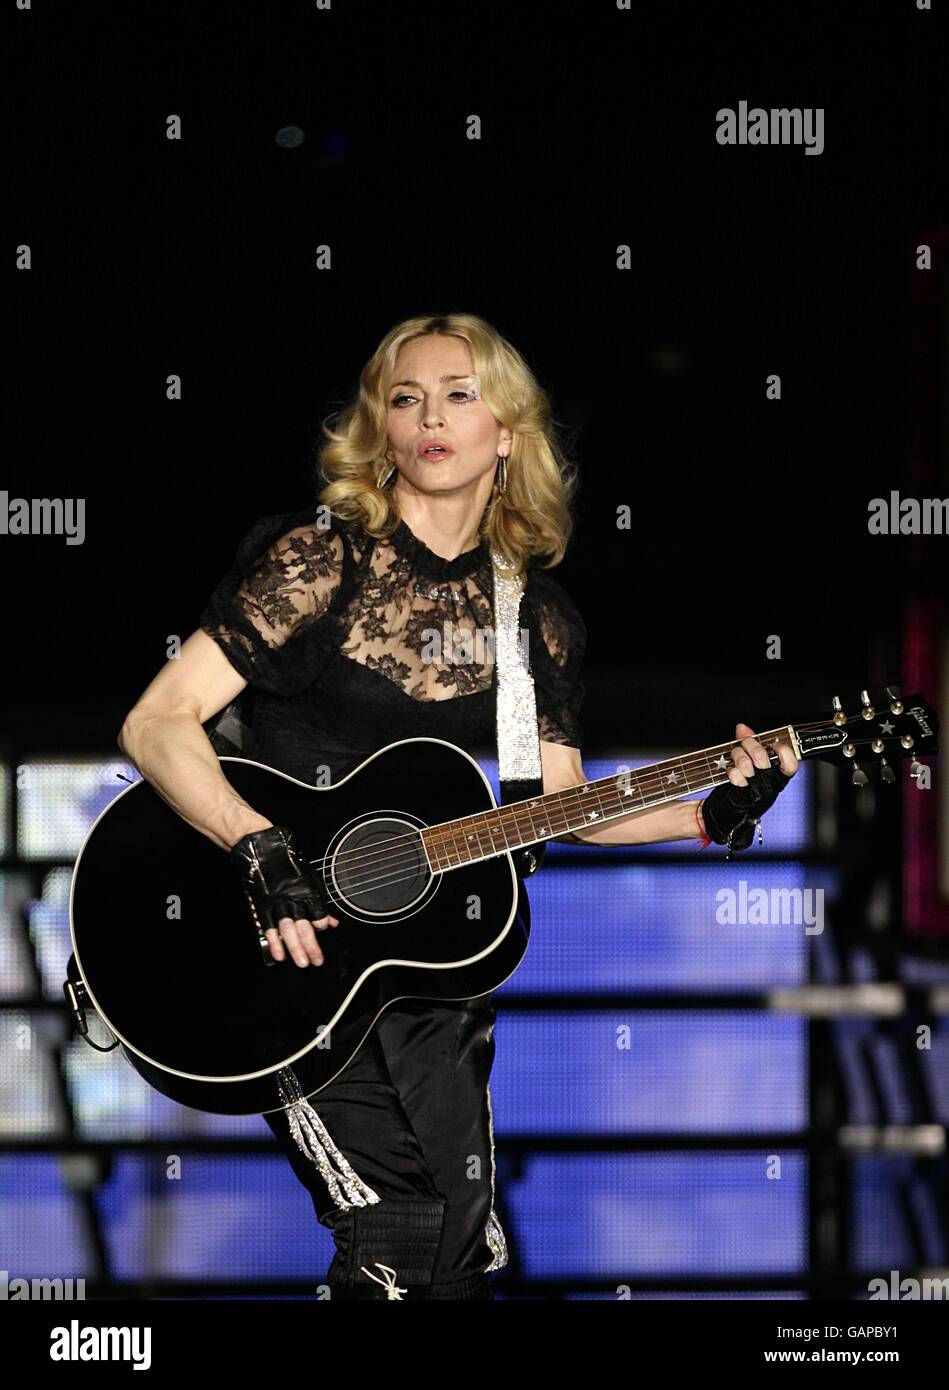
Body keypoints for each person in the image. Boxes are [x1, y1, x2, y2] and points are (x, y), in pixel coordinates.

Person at [117, 312, 799, 1300]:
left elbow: (557, 804)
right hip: (286, 953)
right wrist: (258, 845)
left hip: (433, 973)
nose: (430, 415)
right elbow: (157, 721)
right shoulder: (319, 565)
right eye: (406, 397)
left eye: (460, 393)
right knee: (395, 1226)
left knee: (462, 1257)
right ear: (380, 430)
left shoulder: (539, 620)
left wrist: (706, 815)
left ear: (507, 431)